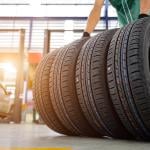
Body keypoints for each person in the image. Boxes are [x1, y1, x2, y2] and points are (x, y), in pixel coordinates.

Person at [83, 0, 150, 37]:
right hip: (126, 31)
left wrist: (143, 16)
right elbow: (97, 7)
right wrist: (86, 33)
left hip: (146, 22)